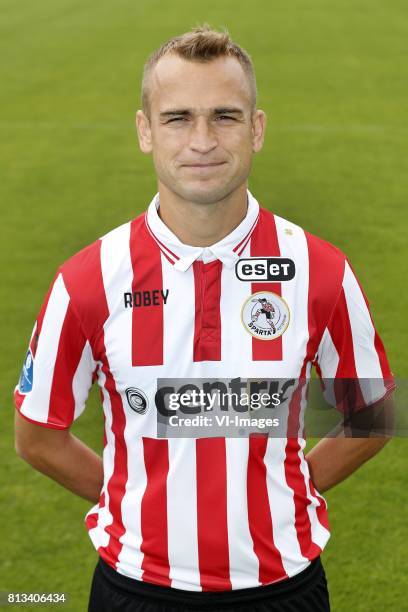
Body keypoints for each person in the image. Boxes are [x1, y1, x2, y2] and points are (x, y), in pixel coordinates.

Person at [14, 24, 395, 612]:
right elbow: (38, 433)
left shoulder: (319, 269)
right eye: (176, 118)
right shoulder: (86, 279)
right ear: (145, 131)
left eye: (224, 116)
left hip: (284, 588)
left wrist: (287, 491)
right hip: (134, 590)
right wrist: (134, 497)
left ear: (257, 129)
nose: (202, 140)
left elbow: (370, 413)